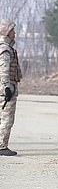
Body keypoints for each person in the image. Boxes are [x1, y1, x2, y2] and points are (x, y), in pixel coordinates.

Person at [0, 19, 21, 156]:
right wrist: (7, 88)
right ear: (7, 32)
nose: (14, 33)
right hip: (5, 90)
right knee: (7, 118)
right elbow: (4, 70)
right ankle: (2, 146)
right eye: (12, 30)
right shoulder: (5, 50)